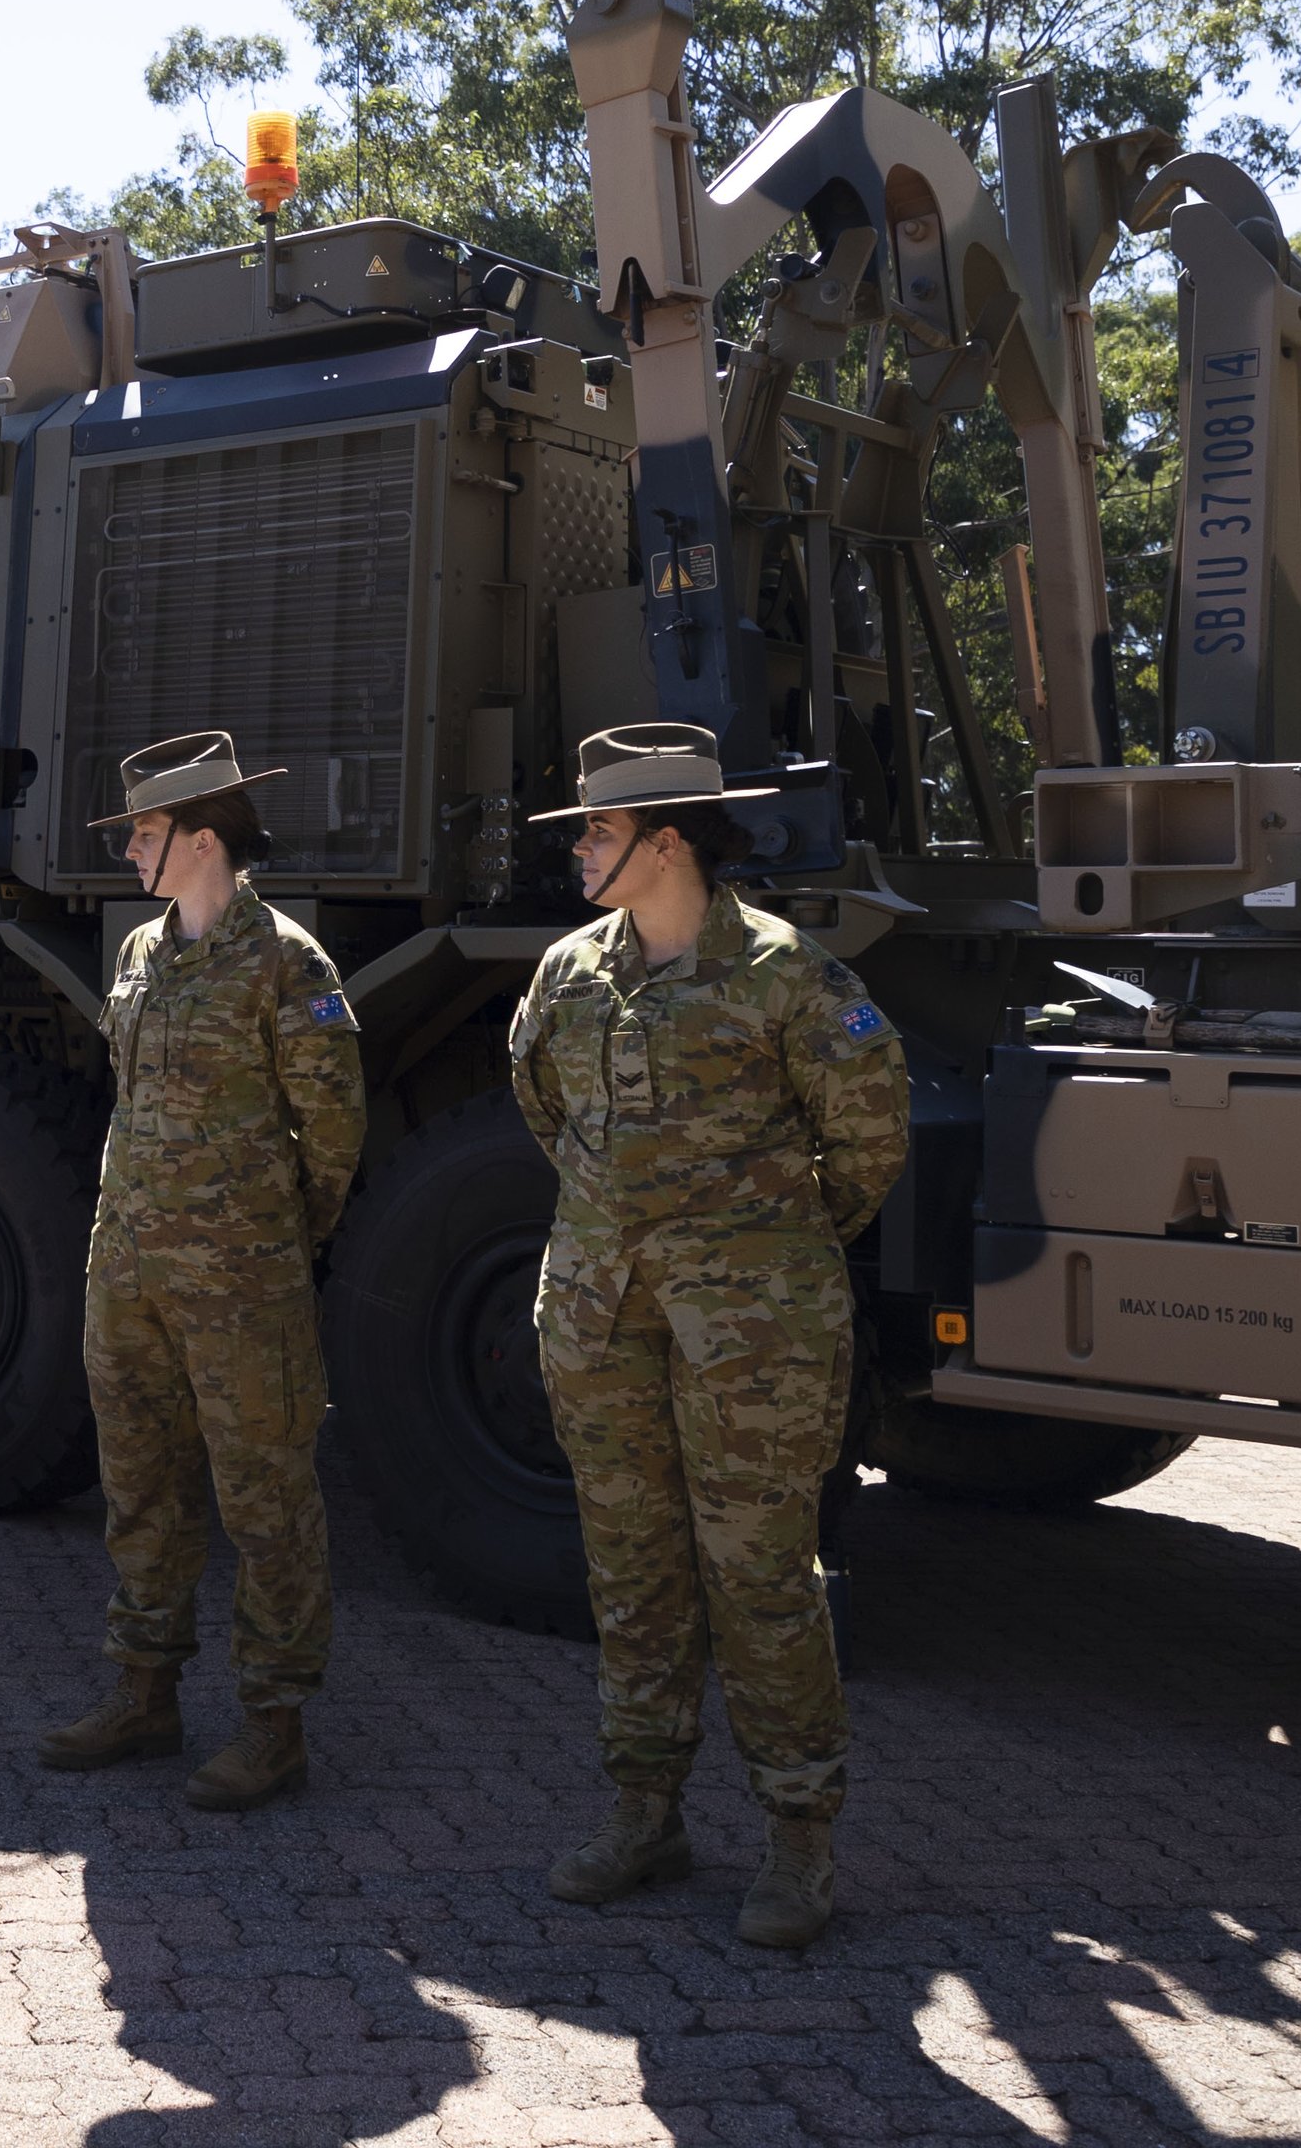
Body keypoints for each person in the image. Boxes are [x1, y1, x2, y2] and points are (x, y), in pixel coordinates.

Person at [510, 723, 907, 1947]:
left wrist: (758, 1252)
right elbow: (541, 1107)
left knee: (761, 1582)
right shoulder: (568, 975)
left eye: (599, 830)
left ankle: (798, 1838)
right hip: (602, 1318)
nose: (580, 850)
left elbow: (869, 1143)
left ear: (668, 841)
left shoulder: (789, 977)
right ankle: (645, 1812)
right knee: (631, 1572)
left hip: (753, 1339)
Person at [37, 733, 362, 1810]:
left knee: (266, 1501)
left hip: (241, 1287)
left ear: (204, 838)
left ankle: (273, 1723)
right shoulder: (140, 951)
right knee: (140, 1489)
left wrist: (268, 1239)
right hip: (129, 1273)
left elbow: (333, 1133)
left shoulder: (287, 963)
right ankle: (144, 1692)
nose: (130, 850)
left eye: (144, 832)